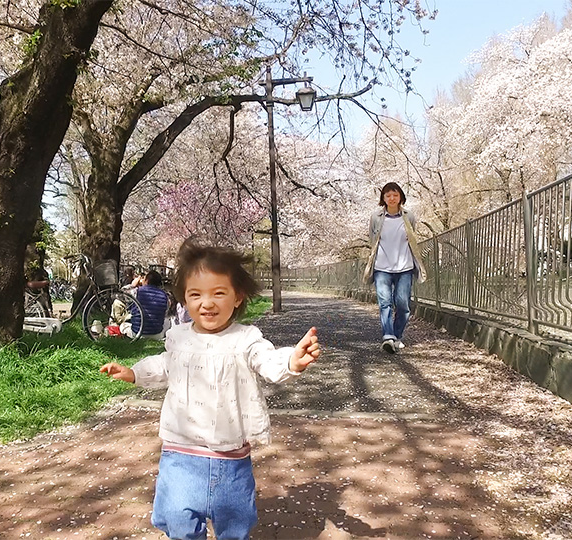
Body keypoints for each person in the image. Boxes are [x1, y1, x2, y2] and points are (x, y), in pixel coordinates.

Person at [99, 238, 321, 539]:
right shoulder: (178, 337)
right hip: (180, 453)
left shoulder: (246, 339)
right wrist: (134, 373)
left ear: (237, 297)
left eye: (219, 293)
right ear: (184, 299)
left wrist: (292, 360)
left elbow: (267, 361)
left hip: (230, 456)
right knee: (177, 517)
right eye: (196, 294)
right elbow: (165, 365)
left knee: (236, 522)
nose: (207, 303)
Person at [363, 182, 428, 354]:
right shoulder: (376, 217)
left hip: (404, 267)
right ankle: (388, 337)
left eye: (395, 195)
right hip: (382, 267)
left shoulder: (409, 216)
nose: (392, 198)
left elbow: (412, 239)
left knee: (403, 304)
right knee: (385, 302)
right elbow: (372, 240)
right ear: (383, 198)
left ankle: (397, 336)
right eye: (388, 195)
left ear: (400, 197)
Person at [127, 269, 170, 339]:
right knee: (167, 321)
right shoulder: (164, 295)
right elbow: (165, 313)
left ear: (147, 280)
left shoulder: (136, 291)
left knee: (123, 325)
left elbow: (120, 295)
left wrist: (132, 285)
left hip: (137, 333)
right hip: (157, 335)